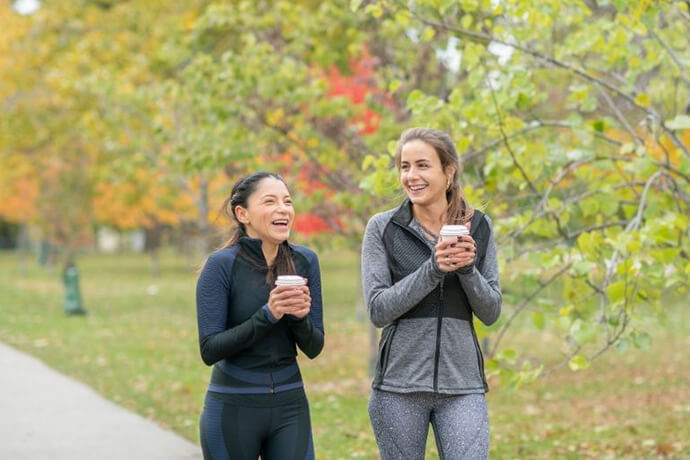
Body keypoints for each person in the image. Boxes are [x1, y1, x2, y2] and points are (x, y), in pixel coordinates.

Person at [361, 128, 502, 459]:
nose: (411, 176)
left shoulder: (479, 226)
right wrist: (433, 269)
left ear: (448, 171)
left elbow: (491, 311)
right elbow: (379, 309)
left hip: (462, 386)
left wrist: (467, 270)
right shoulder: (383, 228)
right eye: (405, 166)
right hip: (398, 387)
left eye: (422, 165)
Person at [196, 172, 324, 460]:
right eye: (270, 201)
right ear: (243, 213)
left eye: (287, 201)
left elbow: (314, 347)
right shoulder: (221, 265)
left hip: (290, 407)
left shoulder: (305, 261)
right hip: (233, 407)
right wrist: (269, 314)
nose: (283, 209)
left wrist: (299, 317)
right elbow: (210, 349)